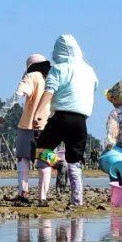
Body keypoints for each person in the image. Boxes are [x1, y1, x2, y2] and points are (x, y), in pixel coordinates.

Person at [33, 34, 99, 207]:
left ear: (58, 52)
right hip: (81, 120)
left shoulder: (59, 68)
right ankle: (77, 201)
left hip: (61, 117)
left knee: (40, 149)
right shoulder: (89, 70)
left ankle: (57, 164)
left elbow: (50, 90)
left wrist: (39, 112)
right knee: (75, 162)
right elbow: (94, 87)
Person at [0, 53, 54, 203]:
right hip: (48, 127)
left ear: (30, 66)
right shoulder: (51, 79)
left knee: (23, 159)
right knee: (45, 163)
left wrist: (2, 113)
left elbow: (17, 95)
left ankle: (23, 193)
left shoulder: (31, 76)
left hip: (28, 126)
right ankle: (42, 198)